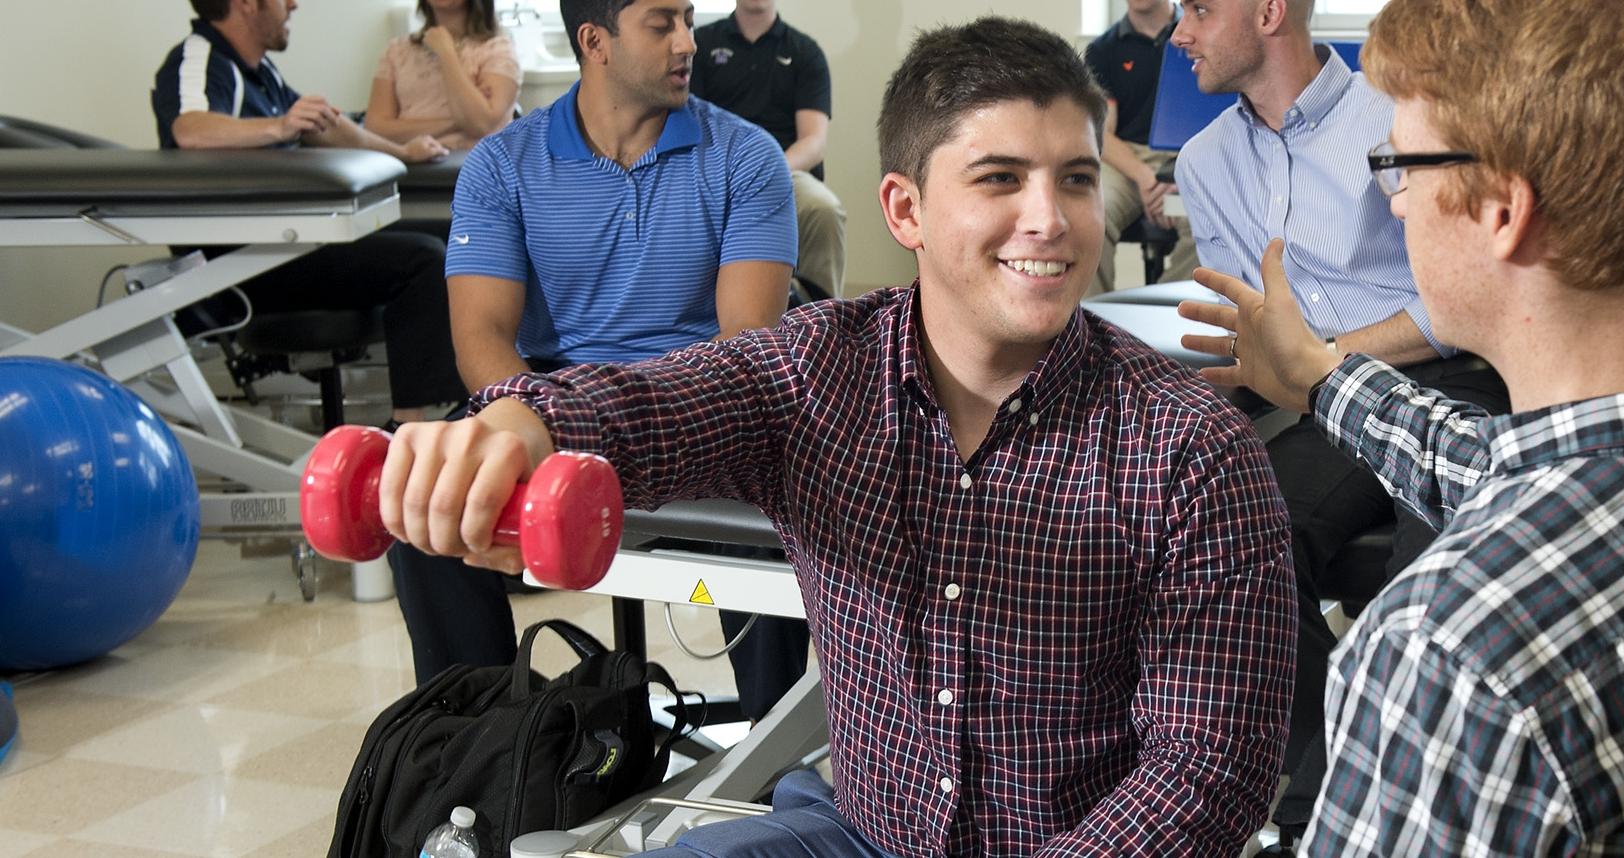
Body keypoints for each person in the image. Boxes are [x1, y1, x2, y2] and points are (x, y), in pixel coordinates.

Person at [376, 17, 1294, 857]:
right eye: (1000, 178)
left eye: (1077, 180)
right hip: (854, 833)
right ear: (905, 211)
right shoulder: (819, 369)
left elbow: (1207, 771)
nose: (1050, 219)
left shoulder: (1192, 453)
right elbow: (653, 405)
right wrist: (519, 424)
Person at [1181, 0, 1624, 852]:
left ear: (1503, 209)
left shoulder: (1447, 652)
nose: (1395, 206)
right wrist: (1318, 376)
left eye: (1402, 168)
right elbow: (1496, 464)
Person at [387, 0, 810, 726]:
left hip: (700, 413)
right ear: (595, 42)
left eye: (686, 18)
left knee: (788, 497)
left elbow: (745, 347)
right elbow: (481, 340)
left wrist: (626, 429)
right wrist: (537, 433)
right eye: (661, 23)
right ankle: (482, 752)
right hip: (551, 409)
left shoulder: (746, 157)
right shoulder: (501, 164)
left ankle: (773, 778)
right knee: (429, 514)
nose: (688, 42)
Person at [1169, 0, 1509, 848]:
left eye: (1199, 9)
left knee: (1423, 587)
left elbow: (1459, 302)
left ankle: (1312, 822)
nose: (1179, 31)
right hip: (1320, 403)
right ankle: (1335, 794)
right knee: (1234, 536)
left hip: (1456, 379)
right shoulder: (1208, 160)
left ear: (1270, 11)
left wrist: (1318, 359)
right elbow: (1249, 322)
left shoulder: (1395, 113)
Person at [152, 0, 463, 427]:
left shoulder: (261, 74)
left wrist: (402, 153)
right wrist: (280, 126)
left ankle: (483, 400)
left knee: (460, 233)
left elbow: (327, 126)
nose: (293, 4)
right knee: (423, 260)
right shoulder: (200, 58)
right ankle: (407, 429)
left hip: (291, 243)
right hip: (246, 266)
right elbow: (190, 129)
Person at [690, 0, 847, 300]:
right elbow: (690, 125)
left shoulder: (804, 51)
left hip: (786, 171)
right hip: (715, 172)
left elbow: (814, 141)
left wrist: (768, 171)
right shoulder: (700, 45)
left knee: (824, 209)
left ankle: (824, 326)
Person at [1082, 0, 1195, 292]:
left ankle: (1169, 311)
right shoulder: (1103, 50)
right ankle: (1095, 324)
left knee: (1214, 221)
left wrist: (1179, 174)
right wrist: (1145, 177)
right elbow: (1100, 133)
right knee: (1090, 213)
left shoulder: (1198, 35)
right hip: (1128, 160)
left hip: (1191, 157)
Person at [366, 0, 522, 152]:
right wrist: (457, 121)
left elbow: (480, 125)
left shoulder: (498, 50)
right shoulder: (397, 51)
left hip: (474, 166)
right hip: (410, 165)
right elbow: (376, 129)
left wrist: (446, 53)